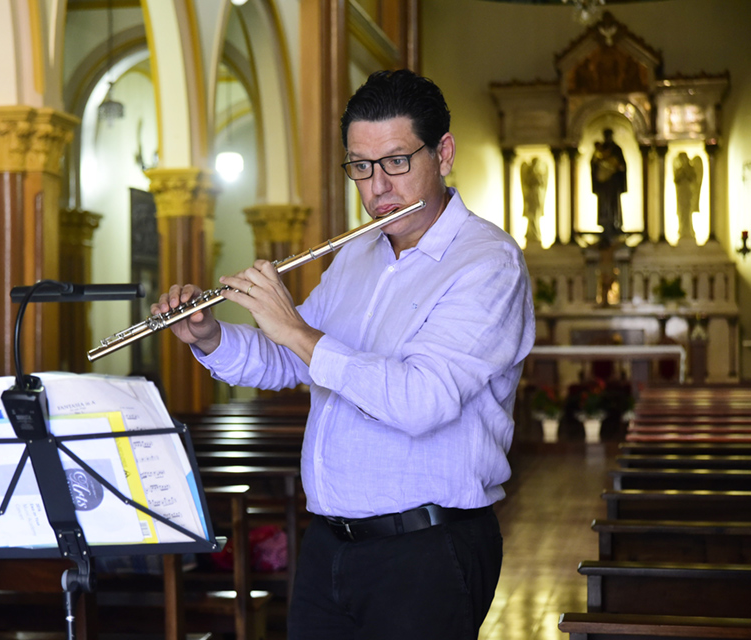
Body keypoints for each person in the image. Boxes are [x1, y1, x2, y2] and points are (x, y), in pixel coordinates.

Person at [153, 69, 535, 639]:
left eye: (397, 161)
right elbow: (293, 359)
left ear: (444, 153)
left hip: (426, 551)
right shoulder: (358, 256)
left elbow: (420, 399)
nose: (378, 187)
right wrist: (210, 336)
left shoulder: (487, 264)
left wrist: (293, 327)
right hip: (331, 544)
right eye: (361, 166)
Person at [590, 128, 626, 236]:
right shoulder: (599, 151)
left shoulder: (616, 149)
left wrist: (615, 167)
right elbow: (593, 164)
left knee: (614, 204)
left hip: (614, 183)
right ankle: (604, 224)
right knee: (603, 204)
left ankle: (615, 224)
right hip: (603, 184)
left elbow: (622, 166)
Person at [673, 151, 702, 241]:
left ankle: (689, 231)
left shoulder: (691, 169)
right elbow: (676, 179)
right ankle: (682, 231)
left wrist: (687, 172)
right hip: (681, 194)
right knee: (682, 213)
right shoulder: (679, 170)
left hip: (688, 193)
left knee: (688, 212)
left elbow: (694, 179)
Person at [521, 157, 548, 244]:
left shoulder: (540, 174)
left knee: (536, 215)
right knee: (531, 216)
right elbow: (526, 183)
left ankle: (536, 234)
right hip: (531, 196)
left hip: (537, 196)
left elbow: (542, 183)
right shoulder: (529, 174)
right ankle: (531, 235)